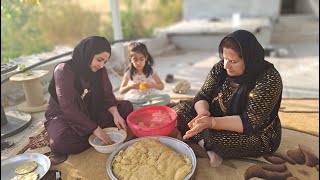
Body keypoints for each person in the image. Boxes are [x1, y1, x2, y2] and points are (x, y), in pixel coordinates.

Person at [173, 30, 283, 167]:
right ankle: (207, 146)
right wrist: (203, 113)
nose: (226, 66)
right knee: (179, 110)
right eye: (225, 58)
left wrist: (212, 122)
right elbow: (203, 95)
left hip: (256, 132)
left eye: (233, 61)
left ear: (249, 59)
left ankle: (208, 143)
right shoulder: (221, 68)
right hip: (218, 115)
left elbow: (249, 122)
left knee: (219, 141)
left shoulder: (269, 79)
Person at [45, 36, 133, 155]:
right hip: (64, 115)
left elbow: (107, 95)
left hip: (91, 109)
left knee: (126, 107)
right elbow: (69, 107)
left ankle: (90, 133)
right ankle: (93, 134)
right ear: (87, 53)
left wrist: (116, 115)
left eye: (104, 62)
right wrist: (95, 129)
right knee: (60, 142)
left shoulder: (99, 70)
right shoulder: (63, 70)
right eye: (99, 59)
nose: (101, 65)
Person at [119, 42, 170, 109]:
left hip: (149, 97)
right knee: (127, 103)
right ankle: (144, 107)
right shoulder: (129, 72)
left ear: (146, 58)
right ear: (131, 59)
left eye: (141, 59)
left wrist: (151, 85)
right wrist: (130, 86)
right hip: (136, 98)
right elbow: (121, 91)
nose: (138, 63)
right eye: (135, 60)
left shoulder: (150, 71)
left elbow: (161, 86)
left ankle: (142, 108)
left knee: (166, 98)